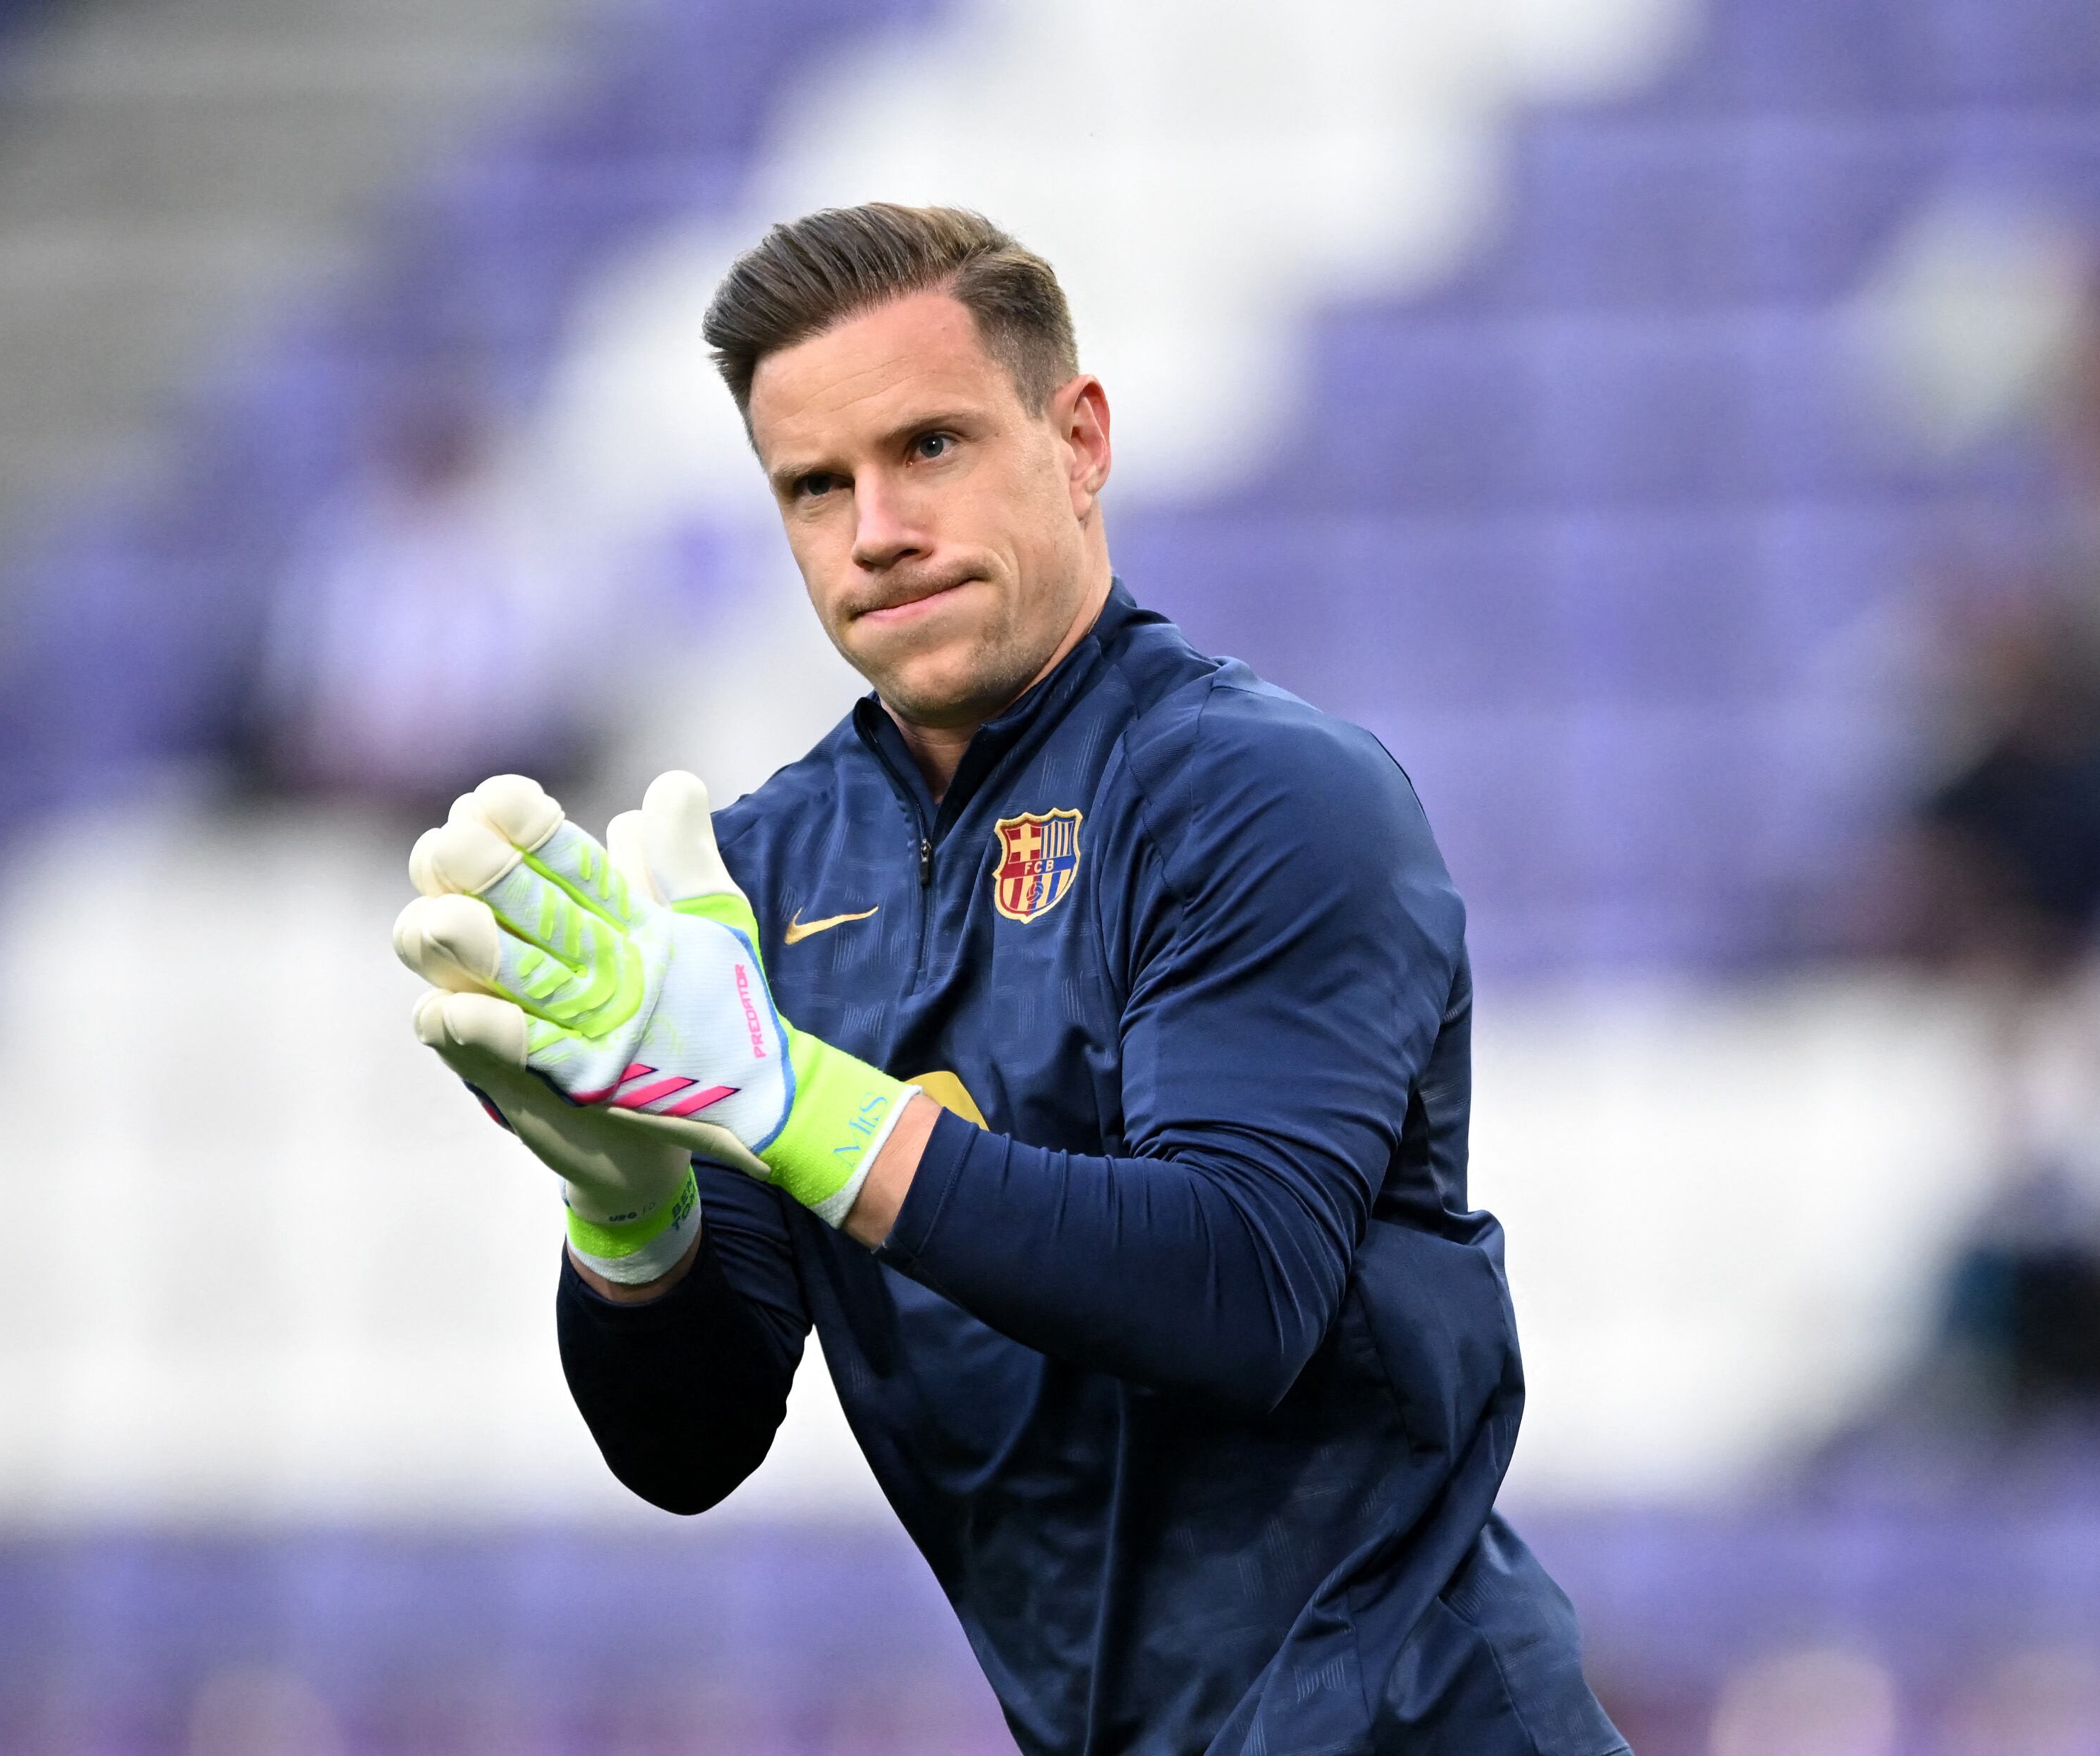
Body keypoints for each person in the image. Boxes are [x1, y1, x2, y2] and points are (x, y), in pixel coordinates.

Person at [395, 204, 1625, 1755]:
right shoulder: (758, 877)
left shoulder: (1258, 793)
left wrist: (788, 1103)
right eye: (814, 487)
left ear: (1079, 439)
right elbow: (689, 1444)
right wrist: (629, 1211)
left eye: (929, 448)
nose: (874, 530)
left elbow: (1237, 1288)